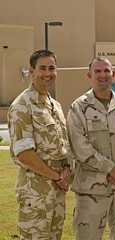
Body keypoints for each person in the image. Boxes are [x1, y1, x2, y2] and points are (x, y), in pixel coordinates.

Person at [67, 56, 115, 240]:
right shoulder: (79, 108)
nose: (103, 75)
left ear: (113, 74)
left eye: (106, 71)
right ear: (89, 75)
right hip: (92, 189)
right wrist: (111, 168)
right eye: (98, 71)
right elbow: (80, 147)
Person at [7, 50, 71, 240]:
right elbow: (24, 154)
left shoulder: (55, 106)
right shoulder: (22, 105)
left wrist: (66, 169)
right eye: (42, 68)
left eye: (52, 68)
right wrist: (57, 176)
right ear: (31, 71)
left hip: (57, 192)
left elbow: (62, 146)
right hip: (35, 195)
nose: (47, 73)